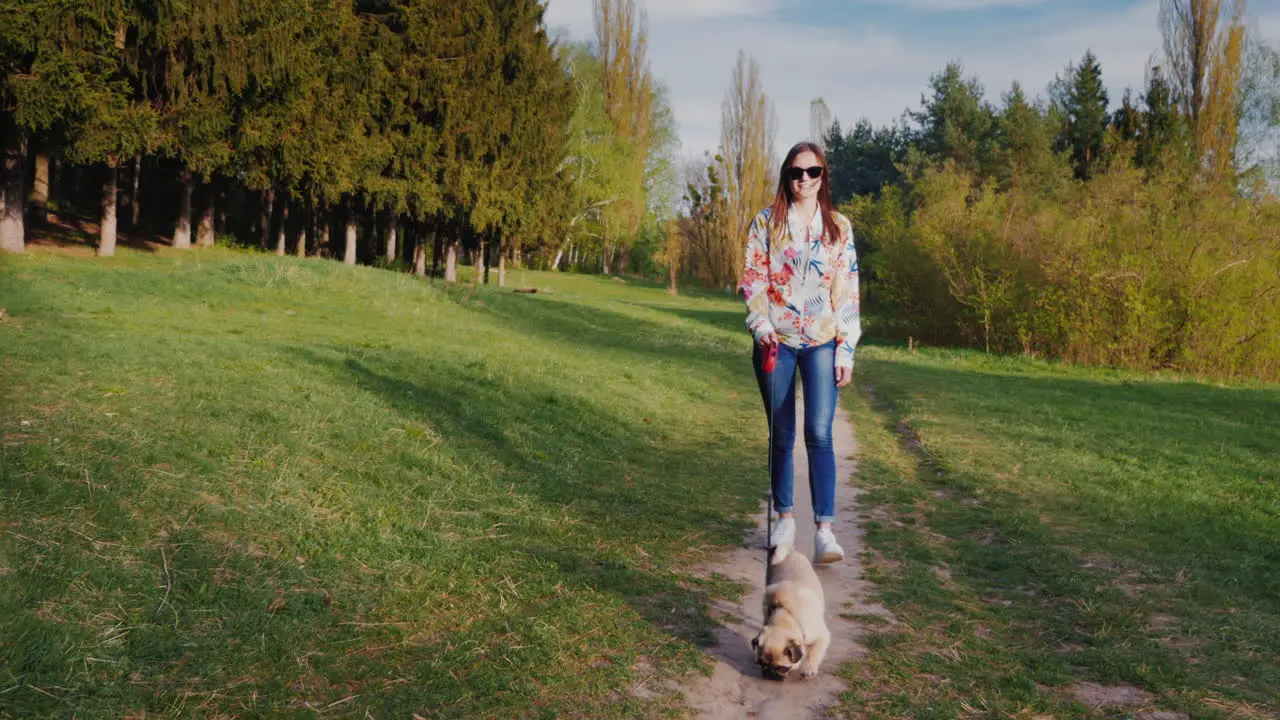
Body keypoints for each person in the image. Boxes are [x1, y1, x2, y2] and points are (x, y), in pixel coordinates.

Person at [739, 141, 860, 564]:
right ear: (786, 177)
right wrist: (762, 327)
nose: (803, 180)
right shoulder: (766, 223)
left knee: (820, 434)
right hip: (777, 341)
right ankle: (785, 518)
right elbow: (752, 281)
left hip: (823, 341)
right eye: (795, 173)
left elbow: (847, 292)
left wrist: (846, 350)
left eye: (812, 172)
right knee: (783, 434)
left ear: (823, 176)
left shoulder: (839, 227)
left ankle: (825, 530)